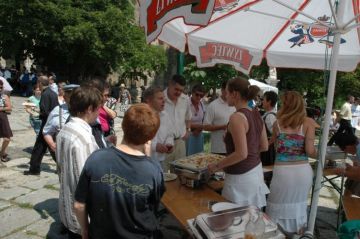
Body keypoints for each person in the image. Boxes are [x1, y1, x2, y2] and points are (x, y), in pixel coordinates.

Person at [74, 104, 165, 239]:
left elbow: (79, 205)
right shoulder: (154, 170)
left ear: (123, 125)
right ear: (151, 136)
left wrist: (85, 230)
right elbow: (152, 206)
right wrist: (148, 158)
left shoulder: (95, 158)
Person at [207, 77, 269, 209]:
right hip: (255, 172)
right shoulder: (256, 114)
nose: (225, 96)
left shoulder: (236, 117)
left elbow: (241, 154)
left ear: (234, 94)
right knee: (251, 220)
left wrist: (217, 166)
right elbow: (264, 146)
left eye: (227, 93)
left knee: (235, 220)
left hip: (240, 178)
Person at [266, 91, 317, 234]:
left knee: (277, 203)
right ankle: (297, 234)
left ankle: (275, 234)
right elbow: (309, 150)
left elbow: (269, 144)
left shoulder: (277, 123)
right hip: (302, 171)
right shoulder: (308, 123)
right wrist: (319, 153)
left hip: (283, 172)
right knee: (299, 206)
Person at [56, 86, 103, 239]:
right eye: (98, 108)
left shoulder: (65, 129)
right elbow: (86, 183)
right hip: (81, 218)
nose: (99, 113)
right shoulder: (84, 139)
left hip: (67, 208)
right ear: (90, 109)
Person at [24, 75, 59, 175]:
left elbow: (45, 111)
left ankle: (34, 170)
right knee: (49, 148)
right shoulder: (53, 93)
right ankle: (62, 166)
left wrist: (37, 111)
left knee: (39, 148)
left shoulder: (45, 94)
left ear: (39, 83)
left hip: (46, 124)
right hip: (53, 124)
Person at [163, 75, 192, 168]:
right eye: (176, 89)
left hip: (180, 142)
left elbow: (188, 117)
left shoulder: (185, 99)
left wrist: (188, 130)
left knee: (181, 174)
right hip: (163, 144)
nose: (179, 92)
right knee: (163, 175)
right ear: (170, 84)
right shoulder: (160, 98)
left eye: (181, 90)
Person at [144, 86, 174, 171]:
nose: (164, 101)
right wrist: (154, 146)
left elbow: (170, 134)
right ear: (149, 100)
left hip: (161, 160)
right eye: (160, 98)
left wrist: (169, 144)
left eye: (164, 98)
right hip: (144, 161)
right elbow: (135, 139)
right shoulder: (141, 116)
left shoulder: (165, 115)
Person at [43, 84, 80, 153]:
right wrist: (52, 145)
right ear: (65, 97)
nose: (74, 100)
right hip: (64, 152)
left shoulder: (86, 110)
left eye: (76, 97)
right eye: (70, 97)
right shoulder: (57, 110)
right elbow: (47, 132)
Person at [203, 81, 235, 155]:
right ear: (222, 90)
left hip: (233, 148)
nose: (231, 93)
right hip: (218, 148)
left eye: (232, 91)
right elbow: (205, 127)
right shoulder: (213, 106)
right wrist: (223, 127)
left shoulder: (234, 105)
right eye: (228, 90)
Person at [186, 84, 206, 156]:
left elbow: (204, 120)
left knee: (198, 158)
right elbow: (183, 122)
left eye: (201, 95)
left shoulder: (202, 105)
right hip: (188, 135)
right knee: (186, 159)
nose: (199, 97)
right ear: (192, 93)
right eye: (197, 94)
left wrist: (199, 129)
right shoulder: (186, 103)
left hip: (199, 135)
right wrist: (198, 127)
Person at [260, 91, 278, 166]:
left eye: (263, 99)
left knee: (266, 170)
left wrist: (267, 144)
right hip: (266, 147)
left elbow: (275, 134)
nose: (262, 102)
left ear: (269, 102)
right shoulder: (269, 115)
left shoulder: (270, 116)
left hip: (268, 149)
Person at [0, 80, 12, 163]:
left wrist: (1, 108)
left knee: (7, 138)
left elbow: (9, 108)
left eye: (1, 87)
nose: (0, 88)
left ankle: (2, 153)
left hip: (2, 117)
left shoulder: (4, 96)